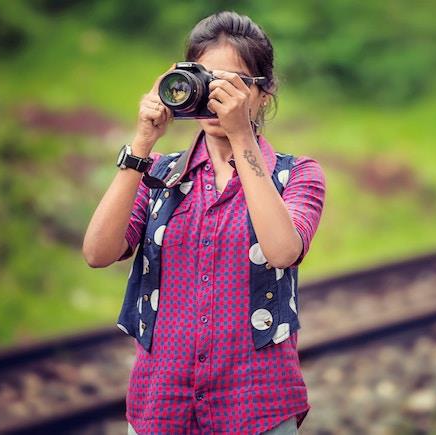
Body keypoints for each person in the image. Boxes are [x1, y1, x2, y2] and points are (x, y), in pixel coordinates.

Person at [82, 11, 326, 434]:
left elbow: (282, 251)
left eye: (229, 84)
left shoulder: (298, 175)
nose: (214, 96)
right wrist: (142, 142)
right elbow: (97, 253)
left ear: (262, 94)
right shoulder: (158, 173)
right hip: (162, 405)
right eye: (203, 79)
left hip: (257, 406)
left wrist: (241, 137)